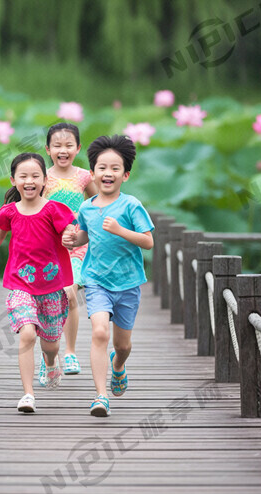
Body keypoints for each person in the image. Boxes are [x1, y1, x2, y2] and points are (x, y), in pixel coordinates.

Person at [0, 153, 75, 413]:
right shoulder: (9, 213)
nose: (29, 181)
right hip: (20, 283)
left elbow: (71, 231)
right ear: (13, 180)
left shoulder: (54, 210)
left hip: (50, 285)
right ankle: (28, 394)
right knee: (27, 334)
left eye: (35, 176)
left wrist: (72, 235)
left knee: (51, 343)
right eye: (23, 176)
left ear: (45, 180)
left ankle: (50, 361)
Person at [63, 135, 154, 418]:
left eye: (115, 168)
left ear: (125, 175)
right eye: (102, 168)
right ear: (92, 173)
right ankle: (101, 396)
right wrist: (71, 239)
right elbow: (83, 236)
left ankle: (118, 365)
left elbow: (148, 241)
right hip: (97, 280)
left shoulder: (131, 205)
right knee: (99, 332)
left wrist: (120, 230)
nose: (108, 173)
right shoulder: (87, 207)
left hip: (127, 283)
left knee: (122, 345)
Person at [41, 122, 95, 382]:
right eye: (57, 146)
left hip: (76, 246)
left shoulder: (85, 177)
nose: (63, 150)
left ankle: (71, 352)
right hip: (47, 247)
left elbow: (99, 204)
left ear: (78, 148)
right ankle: (48, 358)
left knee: (70, 291)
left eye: (68, 145)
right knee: (47, 302)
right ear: (48, 149)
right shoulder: (42, 177)